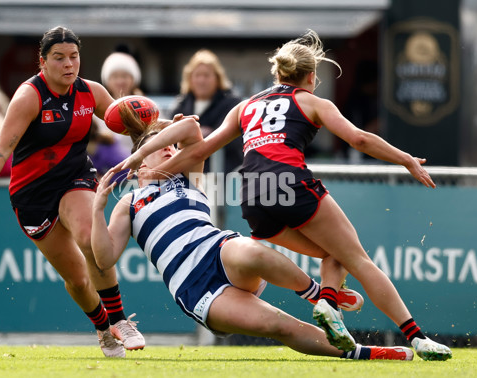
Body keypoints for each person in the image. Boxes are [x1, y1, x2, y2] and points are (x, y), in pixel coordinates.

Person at [124, 30, 453, 361]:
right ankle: (417, 337)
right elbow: (360, 140)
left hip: (252, 196)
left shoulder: (245, 106)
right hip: (289, 182)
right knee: (356, 258)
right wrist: (405, 159)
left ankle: (327, 300)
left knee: (332, 254)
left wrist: (147, 168)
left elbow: (204, 148)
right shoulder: (311, 101)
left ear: (276, 73)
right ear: (311, 76)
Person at [91, 105, 414, 361]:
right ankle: (363, 353)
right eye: (158, 146)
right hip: (193, 286)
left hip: (220, 253)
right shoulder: (129, 201)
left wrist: (154, 130)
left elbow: (190, 128)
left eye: (172, 145)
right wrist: (96, 209)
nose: (170, 149)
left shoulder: (188, 175)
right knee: (281, 326)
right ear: (140, 165)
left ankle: (318, 295)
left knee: (253, 249)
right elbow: (104, 259)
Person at [0, 26, 144, 358]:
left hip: (75, 177)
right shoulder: (28, 96)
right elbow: (2, 149)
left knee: (92, 237)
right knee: (77, 280)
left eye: (74, 57)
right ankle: (104, 329)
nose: (68, 64)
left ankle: (120, 320)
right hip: (32, 195)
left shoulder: (91, 92)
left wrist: (167, 127)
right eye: (59, 58)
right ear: (42, 62)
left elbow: (134, 124)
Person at [169, 49, 242, 174]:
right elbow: (170, 137)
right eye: (197, 75)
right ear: (190, 78)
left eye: (206, 75)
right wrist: (204, 133)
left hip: (223, 176)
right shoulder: (181, 104)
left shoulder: (232, 103)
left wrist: (190, 135)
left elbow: (231, 139)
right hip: (186, 175)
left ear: (217, 78)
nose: (201, 80)